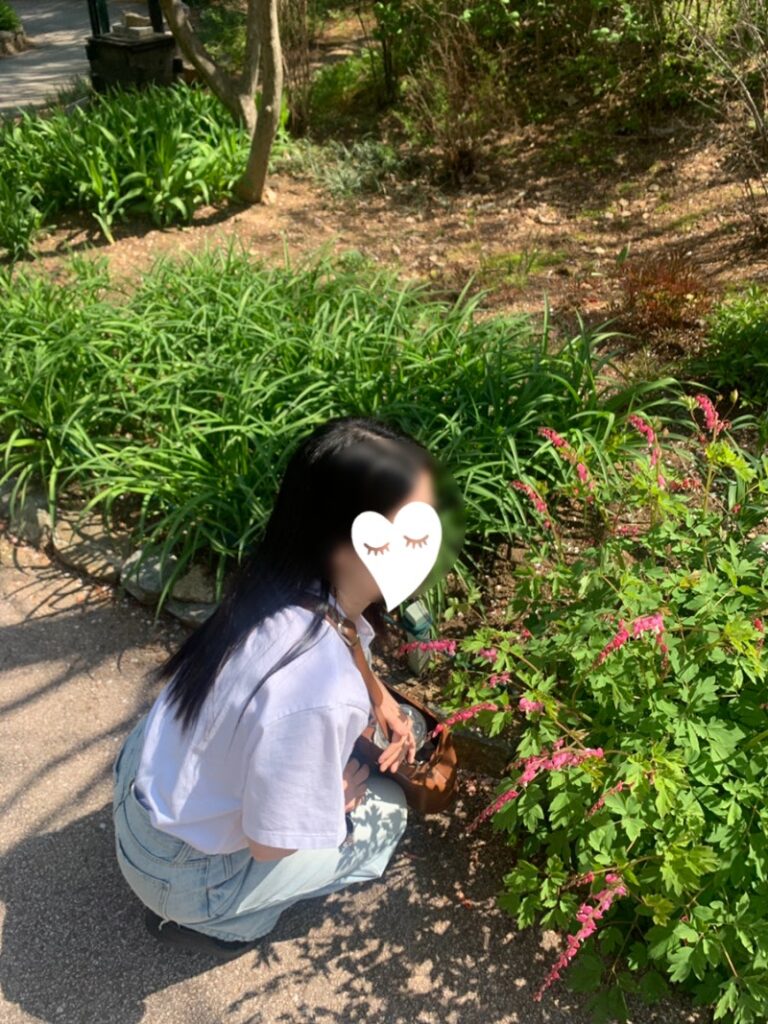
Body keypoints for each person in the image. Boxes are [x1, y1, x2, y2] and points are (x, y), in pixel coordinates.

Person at [111, 415, 446, 959]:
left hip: (141, 787)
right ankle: (211, 921)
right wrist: (334, 803)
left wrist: (380, 697)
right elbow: (270, 845)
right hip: (178, 873)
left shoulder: (275, 587)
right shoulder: (321, 689)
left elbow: (341, 633)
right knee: (385, 816)